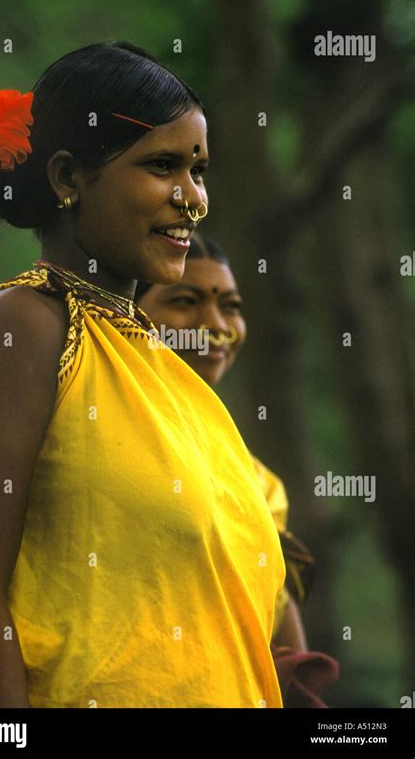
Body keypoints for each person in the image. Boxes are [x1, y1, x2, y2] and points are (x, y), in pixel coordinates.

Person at [0, 41, 286, 708]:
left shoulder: (169, 371)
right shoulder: (23, 327)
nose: (194, 199)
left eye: (200, 171)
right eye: (163, 166)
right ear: (69, 176)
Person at [135, 230, 340, 707]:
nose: (216, 324)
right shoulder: (92, 438)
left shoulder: (259, 483)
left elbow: (285, 654)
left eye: (231, 306)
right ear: (133, 313)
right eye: (186, 301)